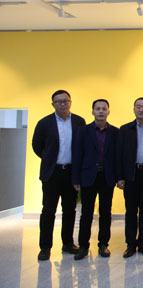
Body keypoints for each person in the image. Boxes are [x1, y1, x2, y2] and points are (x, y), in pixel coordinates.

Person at [32, 90, 86, 261]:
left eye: (65, 101)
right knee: (48, 210)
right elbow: (37, 145)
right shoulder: (44, 123)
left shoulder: (79, 122)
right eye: (59, 101)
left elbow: (82, 145)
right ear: (53, 104)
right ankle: (45, 247)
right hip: (52, 173)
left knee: (69, 210)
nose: (62, 104)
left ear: (70, 102)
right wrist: (49, 159)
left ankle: (68, 243)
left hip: (71, 172)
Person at [72, 99, 119, 260]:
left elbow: (118, 157)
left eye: (104, 109)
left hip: (107, 177)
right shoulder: (83, 131)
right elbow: (77, 155)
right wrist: (76, 178)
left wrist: (119, 177)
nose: (100, 111)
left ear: (108, 112)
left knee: (106, 212)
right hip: (88, 177)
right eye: (97, 109)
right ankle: (83, 246)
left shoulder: (115, 132)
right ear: (92, 111)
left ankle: (103, 244)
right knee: (86, 213)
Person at [116, 97, 143, 258]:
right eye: (138, 107)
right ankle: (130, 244)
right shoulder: (125, 129)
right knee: (131, 211)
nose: (141, 109)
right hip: (130, 175)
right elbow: (119, 154)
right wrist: (120, 177)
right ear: (133, 109)